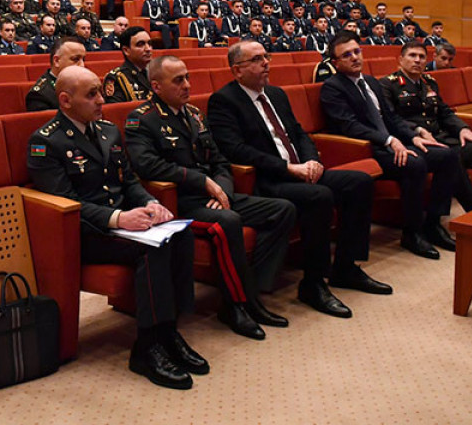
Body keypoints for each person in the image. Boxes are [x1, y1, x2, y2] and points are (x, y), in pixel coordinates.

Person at [28, 66, 207, 390]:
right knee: (152, 249)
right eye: (92, 94)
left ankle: (169, 331)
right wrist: (117, 219)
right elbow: (64, 202)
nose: (102, 100)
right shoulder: (45, 142)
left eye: (100, 91)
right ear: (65, 100)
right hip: (82, 231)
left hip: (121, 224)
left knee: (180, 236)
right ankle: (146, 347)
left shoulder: (109, 131)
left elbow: (129, 182)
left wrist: (151, 202)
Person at [208, 41, 389, 318]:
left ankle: (345, 267)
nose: (266, 62)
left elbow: (299, 133)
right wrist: (290, 169)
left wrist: (311, 161)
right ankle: (313, 285)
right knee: (320, 196)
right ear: (237, 70)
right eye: (256, 59)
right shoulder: (224, 100)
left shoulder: (277, 94)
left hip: (301, 168)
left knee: (359, 182)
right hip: (267, 179)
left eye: (266, 56)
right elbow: (236, 150)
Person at [126, 56, 295, 338]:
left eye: (187, 77)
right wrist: (203, 182)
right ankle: (235, 305)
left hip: (214, 196)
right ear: (156, 86)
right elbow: (147, 165)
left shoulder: (194, 114)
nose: (187, 85)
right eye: (178, 80)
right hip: (179, 202)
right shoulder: (142, 119)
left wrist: (223, 190)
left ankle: (251, 292)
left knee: (283, 210)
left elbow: (219, 160)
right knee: (226, 222)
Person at [319, 33, 461, 260]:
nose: (355, 57)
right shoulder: (332, 87)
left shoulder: (371, 82)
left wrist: (413, 136)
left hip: (393, 142)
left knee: (447, 156)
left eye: (357, 51)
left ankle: (433, 224)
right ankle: (412, 233)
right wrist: (389, 141)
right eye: (347, 55)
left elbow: (392, 118)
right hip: (369, 149)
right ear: (336, 63)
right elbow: (351, 126)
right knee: (415, 164)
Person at [380, 43, 472, 209]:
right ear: (400, 59)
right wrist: (417, 130)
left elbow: (444, 112)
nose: (417, 60)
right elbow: (391, 118)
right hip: (415, 142)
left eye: (422, 57)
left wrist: (462, 129)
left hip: (441, 138)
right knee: (450, 157)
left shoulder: (429, 82)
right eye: (412, 55)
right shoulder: (388, 84)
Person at [26, 37, 87, 111]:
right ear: (56, 61)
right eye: (75, 59)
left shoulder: (85, 85)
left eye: (83, 59)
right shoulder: (39, 96)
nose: (82, 65)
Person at [102, 26, 153, 103]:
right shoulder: (117, 78)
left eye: (149, 44)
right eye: (140, 44)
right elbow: (118, 111)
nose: (148, 49)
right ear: (126, 50)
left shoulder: (155, 73)